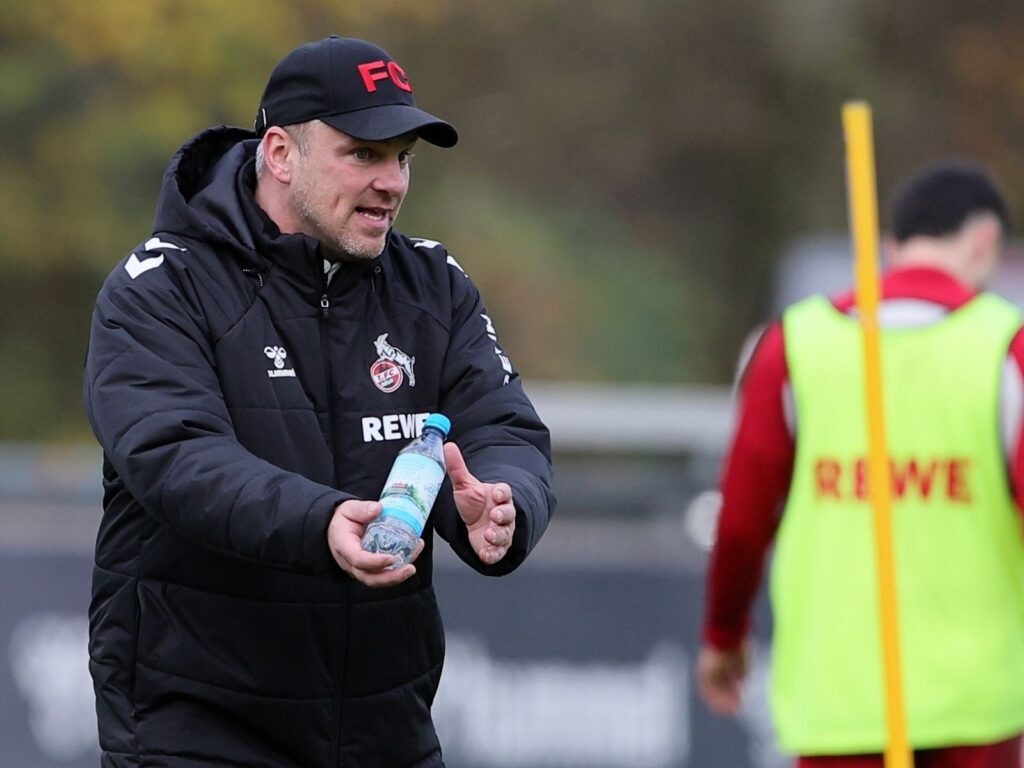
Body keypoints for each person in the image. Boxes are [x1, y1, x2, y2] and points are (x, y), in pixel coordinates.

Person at [83, 36, 555, 768]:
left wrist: (505, 502)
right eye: (363, 154)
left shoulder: (434, 285)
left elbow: (502, 426)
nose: (391, 182)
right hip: (199, 731)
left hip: (384, 731)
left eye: (402, 157)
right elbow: (176, 456)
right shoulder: (160, 287)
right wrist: (321, 521)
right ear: (280, 154)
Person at [697, 160, 1024, 767]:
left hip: (838, 705)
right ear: (986, 241)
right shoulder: (1008, 346)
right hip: (977, 708)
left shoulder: (794, 344)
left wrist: (724, 635)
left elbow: (741, 521)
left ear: (892, 246)